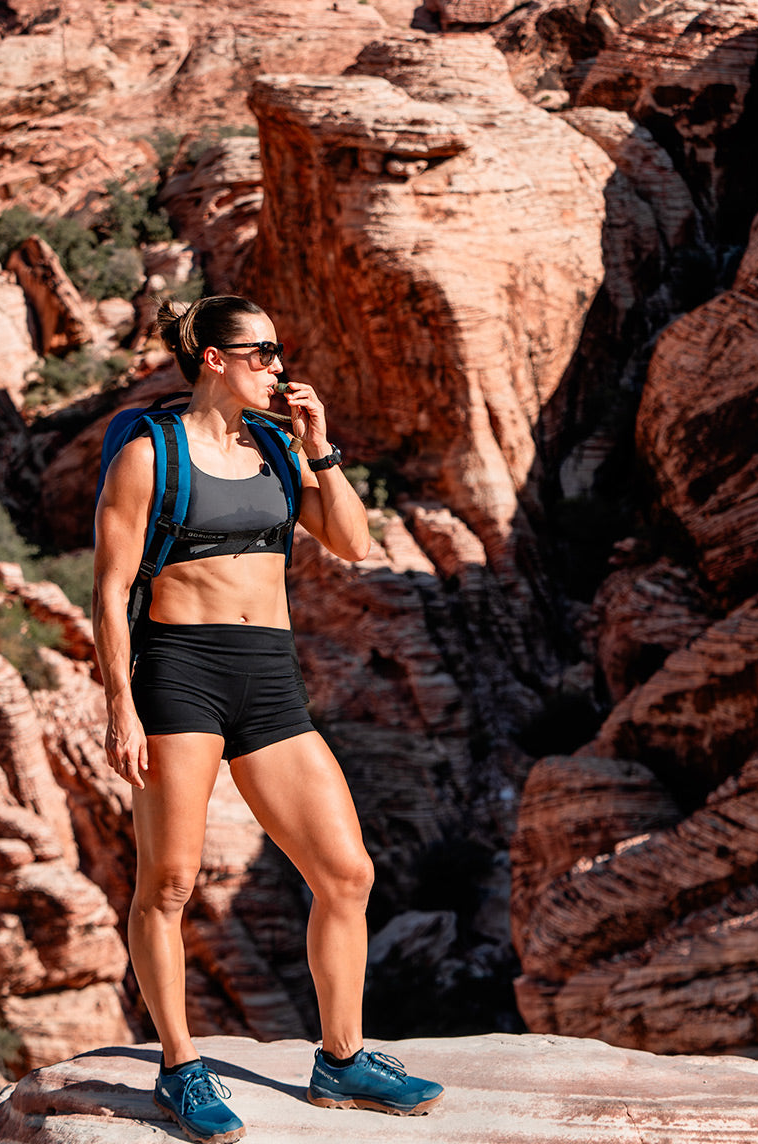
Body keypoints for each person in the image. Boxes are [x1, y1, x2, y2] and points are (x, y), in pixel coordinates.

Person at [92, 295, 443, 1142]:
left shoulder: (281, 448)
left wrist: (321, 447)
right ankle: (181, 1068)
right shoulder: (150, 452)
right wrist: (120, 707)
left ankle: (342, 1060)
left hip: (269, 679)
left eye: (280, 352)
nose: (279, 367)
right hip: (180, 674)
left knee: (345, 873)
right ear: (213, 358)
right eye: (262, 353)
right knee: (169, 885)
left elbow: (354, 543)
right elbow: (108, 589)